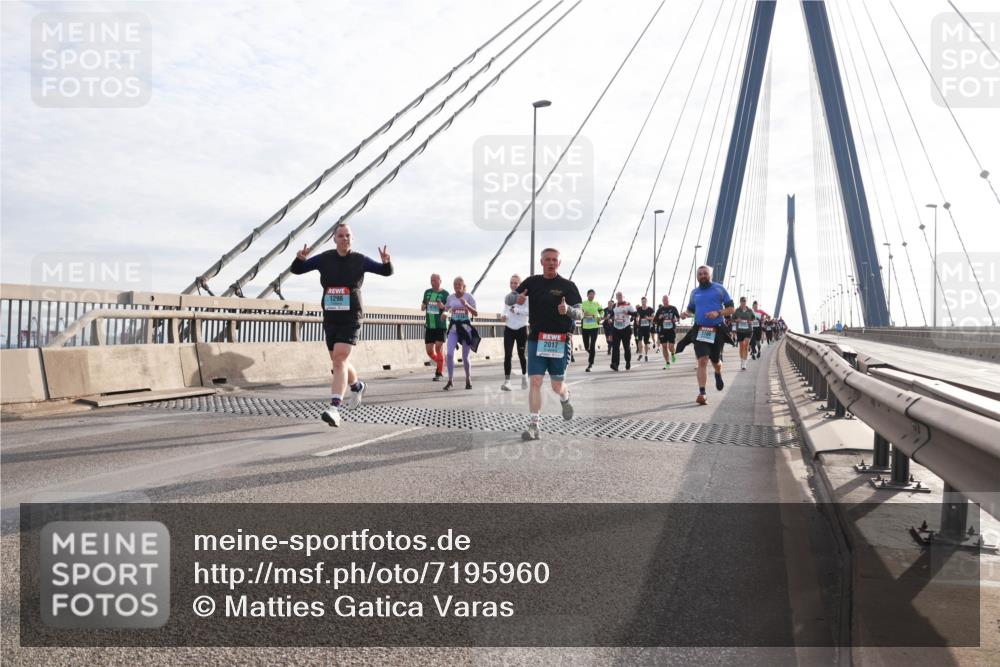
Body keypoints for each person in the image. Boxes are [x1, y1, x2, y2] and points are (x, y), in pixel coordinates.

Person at [290, 223, 393, 428]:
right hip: (331, 317)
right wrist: (299, 259)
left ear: (352, 239)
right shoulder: (324, 258)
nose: (345, 239)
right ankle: (357, 386)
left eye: (348, 236)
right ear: (334, 239)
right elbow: (297, 270)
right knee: (339, 363)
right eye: (341, 236)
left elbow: (385, 272)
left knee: (339, 359)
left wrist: (386, 263)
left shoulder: (360, 260)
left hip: (352, 317)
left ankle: (335, 409)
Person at [515, 248, 583, 441]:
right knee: (535, 381)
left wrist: (568, 309)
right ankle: (534, 425)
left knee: (556, 385)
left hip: (560, 341)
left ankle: (565, 396)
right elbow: (510, 298)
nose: (551, 263)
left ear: (559, 263)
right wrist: (517, 298)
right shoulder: (532, 282)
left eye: (555, 260)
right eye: (548, 260)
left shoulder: (568, 286)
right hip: (537, 339)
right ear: (541, 262)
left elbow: (580, 313)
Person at [679, 265, 735, 406]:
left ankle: (717, 373)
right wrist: (686, 314)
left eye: (705, 273)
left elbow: (731, 308)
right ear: (697, 277)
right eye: (700, 274)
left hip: (717, 330)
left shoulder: (719, 289)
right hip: (700, 330)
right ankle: (702, 393)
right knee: (702, 360)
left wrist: (718, 313)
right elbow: (691, 310)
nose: (702, 275)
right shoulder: (694, 293)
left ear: (710, 275)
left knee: (716, 362)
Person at [443, 277, 478, 390]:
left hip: (465, 329)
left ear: (463, 286)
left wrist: (467, 304)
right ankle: (450, 380)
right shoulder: (450, 297)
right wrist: (444, 313)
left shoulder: (469, 297)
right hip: (454, 328)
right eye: (455, 284)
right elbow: (446, 308)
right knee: (449, 354)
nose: (457, 286)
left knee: (465, 357)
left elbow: (476, 313)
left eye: (459, 284)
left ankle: (468, 378)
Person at [501, 274, 529, 391]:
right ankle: (507, 382)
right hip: (509, 328)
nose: (513, 285)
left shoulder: (526, 297)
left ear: (520, 284)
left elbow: (528, 311)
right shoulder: (508, 297)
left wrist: (517, 310)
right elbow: (506, 310)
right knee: (507, 355)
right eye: (511, 282)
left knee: (521, 355)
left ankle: (524, 377)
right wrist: (504, 315)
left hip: (521, 328)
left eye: (516, 283)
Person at [420, 274, 448, 381]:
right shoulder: (427, 292)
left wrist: (442, 306)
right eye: (431, 280)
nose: (433, 282)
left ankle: (439, 372)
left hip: (441, 325)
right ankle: (441, 362)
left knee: (438, 348)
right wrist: (425, 305)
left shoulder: (445, 294)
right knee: (429, 351)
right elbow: (422, 307)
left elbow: (449, 309)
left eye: (435, 280)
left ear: (440, 281)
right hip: (430, 325)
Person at [609, 292, 636, 371]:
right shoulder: (614, 305)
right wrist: (610, 319)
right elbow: (611, 314)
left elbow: (636, 314)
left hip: (625, 328)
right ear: (616, 298)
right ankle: (615, 364)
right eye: (618, 296)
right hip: (616, 328)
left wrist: (628, 313)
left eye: (620, 296)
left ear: (623, 297)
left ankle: (628, 361)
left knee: (626, 347)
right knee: (615, 347)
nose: (619, 297)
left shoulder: (628, 305)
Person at [580, 289, 604, 372]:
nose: (592, 296)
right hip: (585, 327)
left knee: (592, 345)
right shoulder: (583, 303)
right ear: (587, 295)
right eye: (590, 294)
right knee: (586, 346)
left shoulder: (597, 303)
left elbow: (602, 312)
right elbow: (580, 312)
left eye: (593, 294)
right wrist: (584, 313)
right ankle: (592, 353)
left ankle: (590, 364)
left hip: (594, 326)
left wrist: (600, 317)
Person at [653, 295, 680, 369]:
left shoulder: (673, 308)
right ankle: (667, 362)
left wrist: (676, 320)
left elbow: (678, 317)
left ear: (668, 300)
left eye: (666, 299)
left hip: (671, 330)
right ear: (662, 301)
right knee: (664, 346)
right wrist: (659, 318)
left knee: (671, 347)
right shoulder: (660, 310)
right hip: (663, 330)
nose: (665, 301)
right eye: (664, 299)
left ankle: (673, 353)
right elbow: (654, 321)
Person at [732, 296, 756, 370]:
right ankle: (742, 361)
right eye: (742, 301)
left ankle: (744, 363)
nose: (743, 302)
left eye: (744, 301)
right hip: (740, 331)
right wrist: (737, 320)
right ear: (740, 302)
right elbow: (732, 319)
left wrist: (751, 321)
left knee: (746, 345)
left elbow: (753, 318)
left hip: (748, 330)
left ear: (746, 302)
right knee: (741, 346)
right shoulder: (737, 310)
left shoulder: (750, 310)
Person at [634, 296, 655, 362]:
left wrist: (648, 318)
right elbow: (637, 316)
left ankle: (646, 355)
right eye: (642, 301)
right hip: (640, 327)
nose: (643, 302)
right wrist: (637, 320)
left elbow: (653, 318)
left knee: (646, 342)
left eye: (644, 301)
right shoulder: (639, 309)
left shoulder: (650, 309)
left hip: (647, 328)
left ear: (646, 301)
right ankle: (640, 354)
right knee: (639, 341)